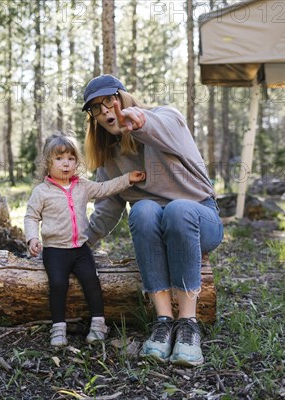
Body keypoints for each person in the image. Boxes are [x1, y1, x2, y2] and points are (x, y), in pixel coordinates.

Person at [81, 74, 223, 366]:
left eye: (110, 100)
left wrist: (141, 121)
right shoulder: (111, 157)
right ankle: (163, 322)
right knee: (143, 209)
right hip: (157, 230)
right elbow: (107, 208)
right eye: (96, 107)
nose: (106, 110)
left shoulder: (166, 118)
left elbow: (162, 127)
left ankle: (188, 324)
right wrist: (79, 243)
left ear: (123, 96)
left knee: (178, 210)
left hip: (201, 218)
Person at [24, 132, 145, 347]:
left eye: (71, 158)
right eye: (59, 159)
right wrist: (32, 238)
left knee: (92, 281)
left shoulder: (82, 185)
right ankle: (58, 328)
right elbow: (31, 217)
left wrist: (127, 178)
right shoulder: (41, 191)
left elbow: (105, 188)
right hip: (55, 251)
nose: (65, 164)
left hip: (80, 248)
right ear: (47, 163)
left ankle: (98, 325)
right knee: (58, 285)